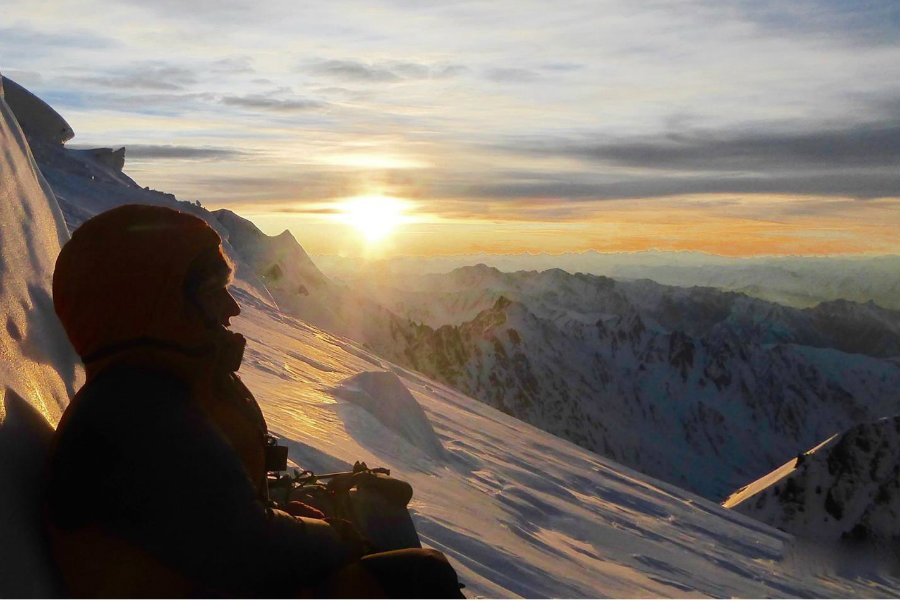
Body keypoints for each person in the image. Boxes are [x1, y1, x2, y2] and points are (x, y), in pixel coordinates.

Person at [45, 204, 463, 598]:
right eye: (211, 293)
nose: (232, 308)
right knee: (423, 576)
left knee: (375, 505)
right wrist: (337, 537)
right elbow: (248, 551)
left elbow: (212, 519)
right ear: (151, 308)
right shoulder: (139, 417)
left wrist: (294, 517)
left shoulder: (147, 393)